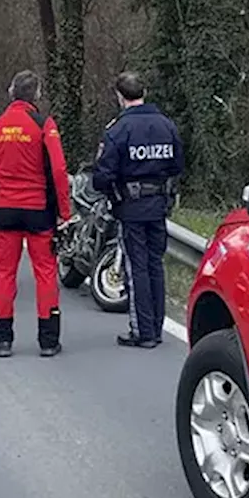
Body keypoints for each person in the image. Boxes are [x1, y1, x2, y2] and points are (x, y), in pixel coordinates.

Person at [0, 70, 73, 357]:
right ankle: (48, 340)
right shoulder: (44, 125)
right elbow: (58, 170)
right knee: (45, 273)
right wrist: (64, 212)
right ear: (37, 94)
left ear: (11, 93)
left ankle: (2, 339)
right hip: (38, 211)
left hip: (4, 211)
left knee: (5, 275)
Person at [92, 71, 185, 348]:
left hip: (131, 207)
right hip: (158, 205)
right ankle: (156, 327)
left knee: (137, 268)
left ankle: (143, 330)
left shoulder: (118, 129)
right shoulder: (167, 125)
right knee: (155, 264)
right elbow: (177, 166)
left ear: (120, 97)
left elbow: (103, 175)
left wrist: (112, 194)